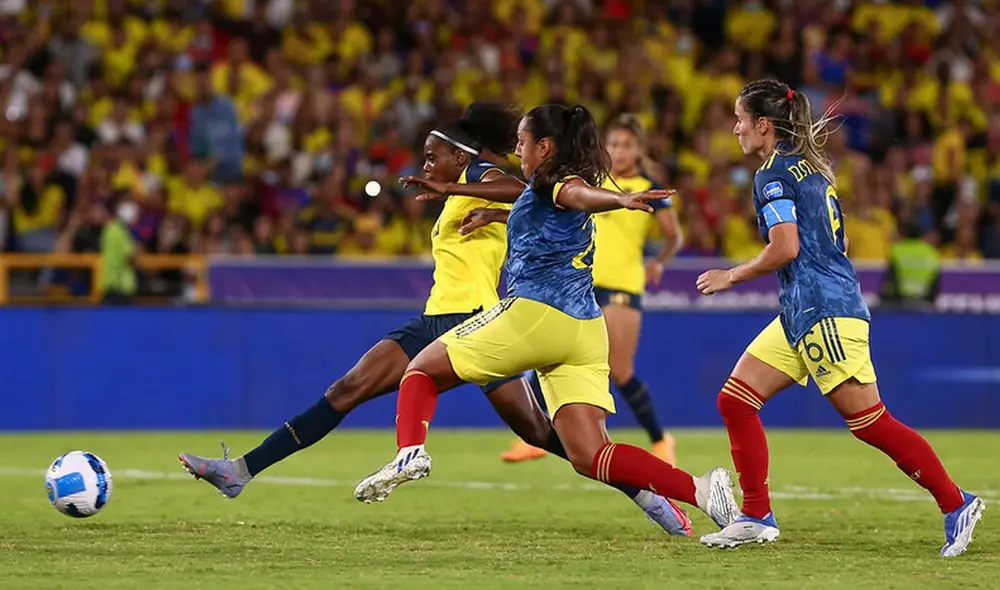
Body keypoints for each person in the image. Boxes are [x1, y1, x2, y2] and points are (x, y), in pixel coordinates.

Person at [179, 103, 693, 536]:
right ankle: (242, 470)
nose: (427, 163)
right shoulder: (473, 191)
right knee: (525, 429)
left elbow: (525, 188)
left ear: (460, 155)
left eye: (434, 155)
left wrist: (461, 192)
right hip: (442, 318)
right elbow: (522, 202)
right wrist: (475, 207)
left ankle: (384, 456)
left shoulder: (482, 176)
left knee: (521, 426)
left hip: (476, 319)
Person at [353, 104, 739, 532]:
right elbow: (540, 202)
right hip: (585, 330)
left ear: (545, 146)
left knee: (421, 370)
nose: (516, 150)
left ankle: (411, 452)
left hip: (537, 315)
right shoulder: (541, 186)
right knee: (591, 455)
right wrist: (483, 207)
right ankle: (704, 490)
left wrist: (618, 200)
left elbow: (574, 195)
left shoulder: (556, 180)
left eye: (522, 142)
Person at [695, 80, 984, 556]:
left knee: (870, 422)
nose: (735, 128)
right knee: (736, 400)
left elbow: (785, 246)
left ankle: (957, 503)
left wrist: (733, 275)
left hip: (823, 311)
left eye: (740, 120)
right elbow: (837, 244)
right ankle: (755, 515)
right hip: (803, 309)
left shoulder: (772, 175)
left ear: (763, 125)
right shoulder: (813, 169)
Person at [500, 114, 684, 464]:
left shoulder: (648, 188)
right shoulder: (589, 184)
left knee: (620, 369)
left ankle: (661, 440)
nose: (619, 150)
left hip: (621, 285)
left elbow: (675, 237)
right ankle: (536, 436)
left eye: (628, 145)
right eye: (613, 144)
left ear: (640, 150)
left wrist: (659, 260)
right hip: (578, 283)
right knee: (546, 356)